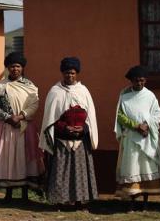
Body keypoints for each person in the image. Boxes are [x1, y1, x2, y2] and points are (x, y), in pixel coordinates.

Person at [40, 57, 98, 209]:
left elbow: (90, 117)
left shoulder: (83, 91)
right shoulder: (55, 92)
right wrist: (64, 128)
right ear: (62, 73)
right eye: (67, 73)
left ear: (77, 73)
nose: (70, 76)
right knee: (61, 172)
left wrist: (83, 129)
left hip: (80, 141)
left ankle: (80, 202)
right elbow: (50, 119)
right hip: (61, 140)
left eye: (72, 73)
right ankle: (59, 201)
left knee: (80, 173)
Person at [0, 52, 45, 203]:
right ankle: (8, 194)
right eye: (12, 66)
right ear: (8, 68)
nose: (15, 69)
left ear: (22, 68)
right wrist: (8, 117)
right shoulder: (1, 86)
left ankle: (25, 194)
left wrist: (20, 116)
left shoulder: (30, 86)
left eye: (18, 66)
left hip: (25, 126)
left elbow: (35, 104)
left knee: (24, 158)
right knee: (8, 158)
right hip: (7, 127)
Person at [114, 65, 160, 211]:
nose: (139, 83)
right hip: (131, 138)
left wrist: (147, 125)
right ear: (131, 81)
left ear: (145, 80)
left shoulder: (150, 96)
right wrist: (135, 126)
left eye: (142, 80)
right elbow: (120, 116)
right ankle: (131, 203)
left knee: (146, 167)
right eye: (136, 80)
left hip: (147, 137)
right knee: (132, 167)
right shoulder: (124, 96)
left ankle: (145, 203)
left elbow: (157, 113)